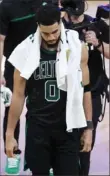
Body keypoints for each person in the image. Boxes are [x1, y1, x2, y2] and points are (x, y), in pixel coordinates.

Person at [5, 3, 93, 176]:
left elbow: (86, 89)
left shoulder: (77, 47)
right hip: (38, 129)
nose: (51, 37)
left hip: (68, 128)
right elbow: (18, 95)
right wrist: (9, 134)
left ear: (60, 23)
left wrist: (88, 128)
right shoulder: (25, 50)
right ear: (38, 27)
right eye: (46, 33)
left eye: (55, 31)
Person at [61, 0, 109, 175]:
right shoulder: (56, 25)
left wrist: (97, 44)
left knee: (86, 141)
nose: (75, 18)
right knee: (63, 143)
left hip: (93, 91)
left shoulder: (96, 25)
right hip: (64, 93)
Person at [0, 0, 42, 174]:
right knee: (12, 110)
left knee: (45, 109)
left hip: (42, 63)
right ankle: (12, 155)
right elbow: (0, 40)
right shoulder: (6, 6)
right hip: (14, 64)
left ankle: (44, 156)